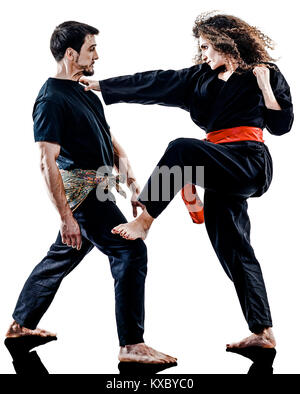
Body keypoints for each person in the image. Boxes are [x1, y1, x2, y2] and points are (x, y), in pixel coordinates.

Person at [80, 12, 293, 369]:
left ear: (226, 41)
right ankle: (263, 331)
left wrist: (266, 85)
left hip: (249, 160)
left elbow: (282, 125)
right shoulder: (200, 78)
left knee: (183, 148)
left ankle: (146, 219)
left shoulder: (262, 70)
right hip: (217, 164)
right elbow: (155, 81)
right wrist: (103, 86)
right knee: (234, 249)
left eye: (207, 47)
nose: (204, 54)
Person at [5, 21, 177, 373]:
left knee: (62, 255)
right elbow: (45, 160)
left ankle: (20, 326)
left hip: (100, 188)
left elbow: (108, 138)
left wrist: (130, 179)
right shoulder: (50, 98)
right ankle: (132, 345)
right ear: (71, 54)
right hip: (83, 193)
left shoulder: (84, 92)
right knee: (129, 249)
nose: (97, 54)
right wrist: (66, 217)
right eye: (91, 48)